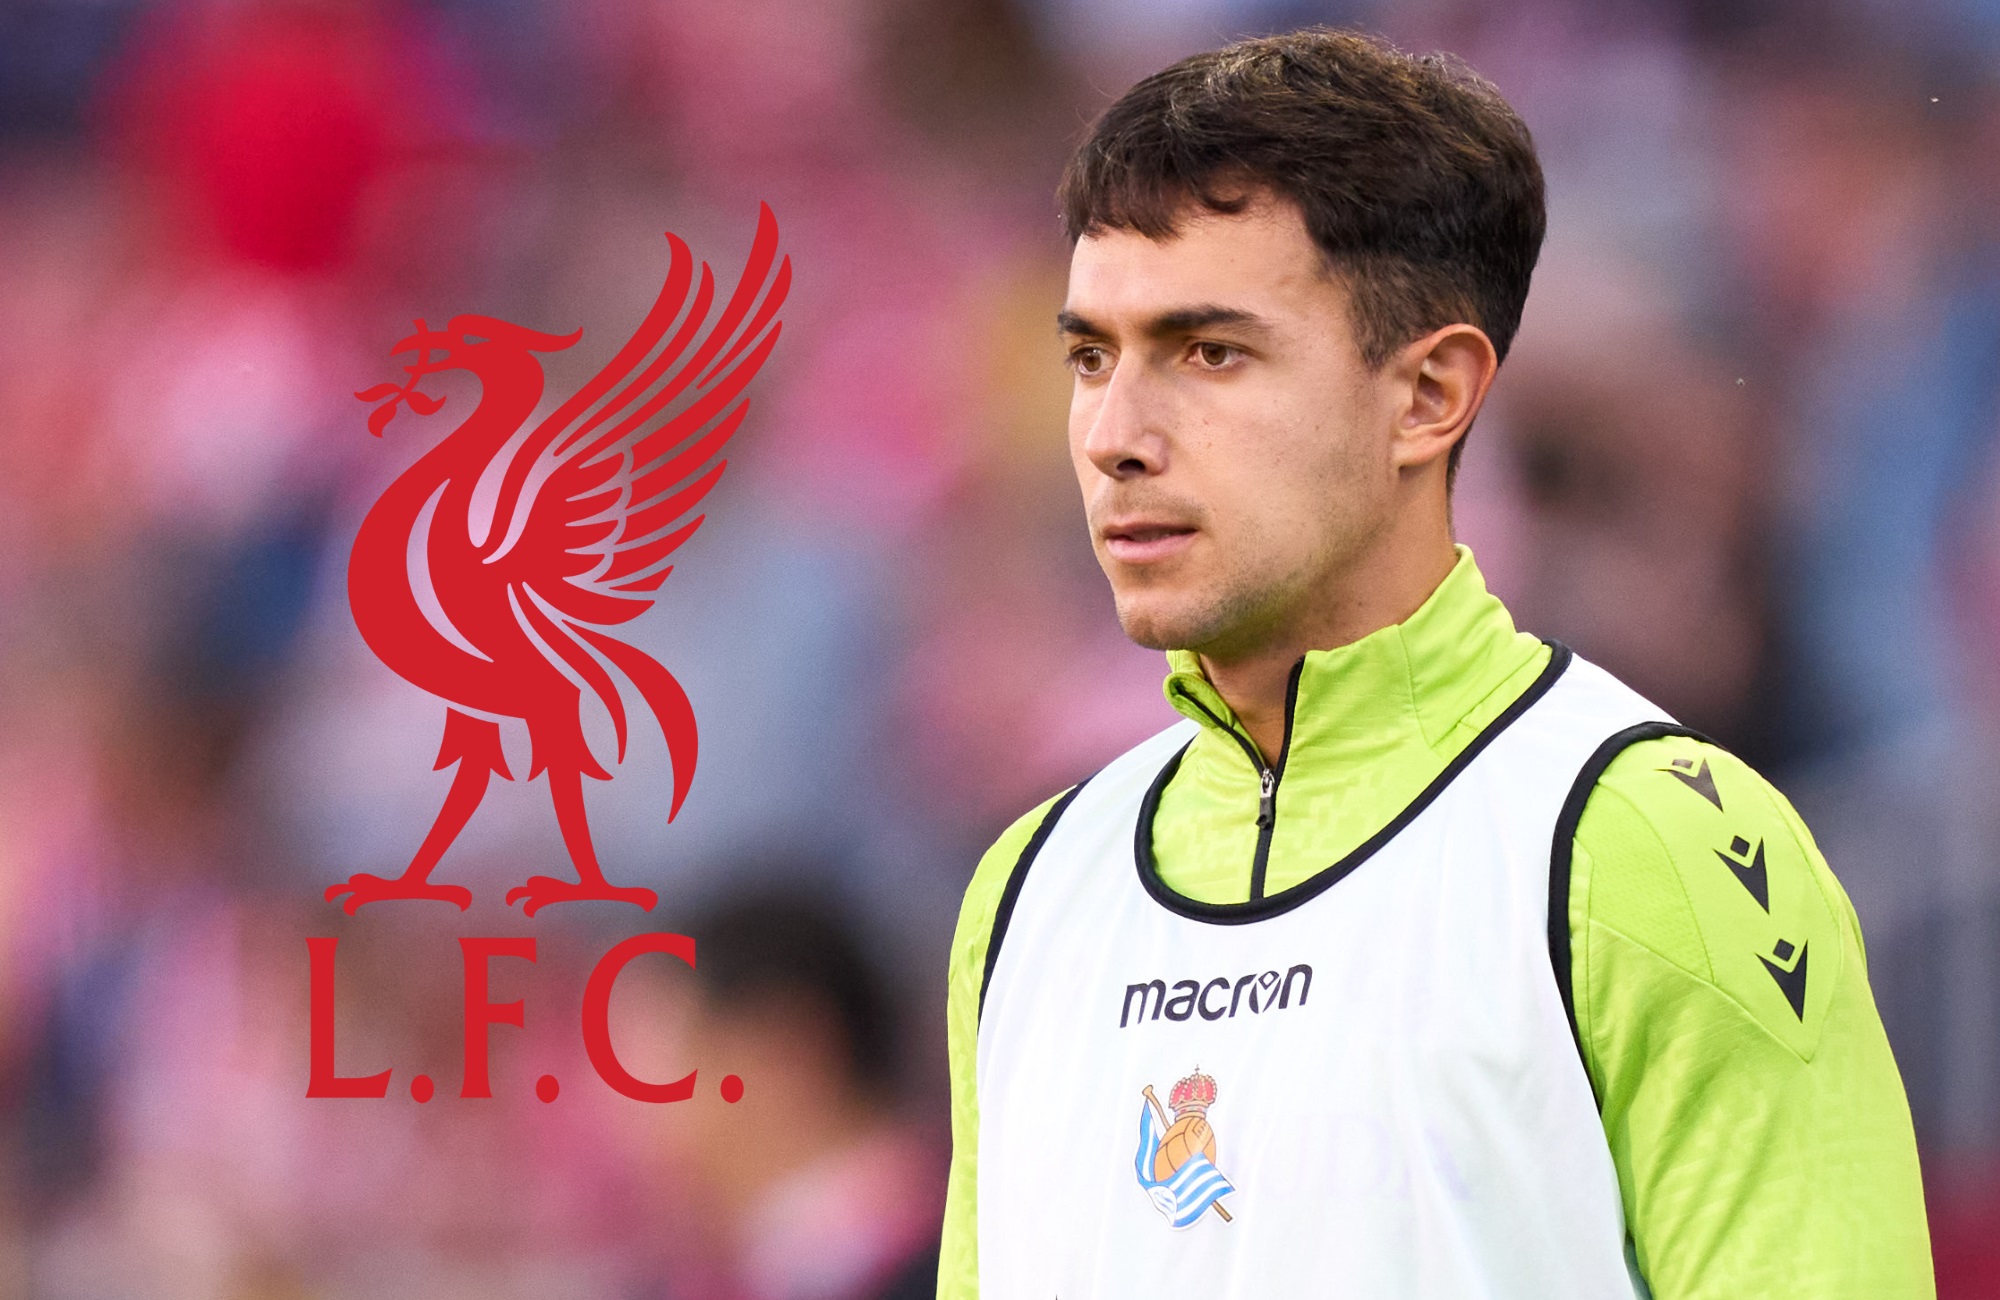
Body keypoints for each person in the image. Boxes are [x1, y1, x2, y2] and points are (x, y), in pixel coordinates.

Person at [939, 27, 1933, 1298]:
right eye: (1091, 356)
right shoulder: (1025, 894)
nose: (1116, 436)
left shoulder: (1645, 845)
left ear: (1429, 394)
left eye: (1208, 352)